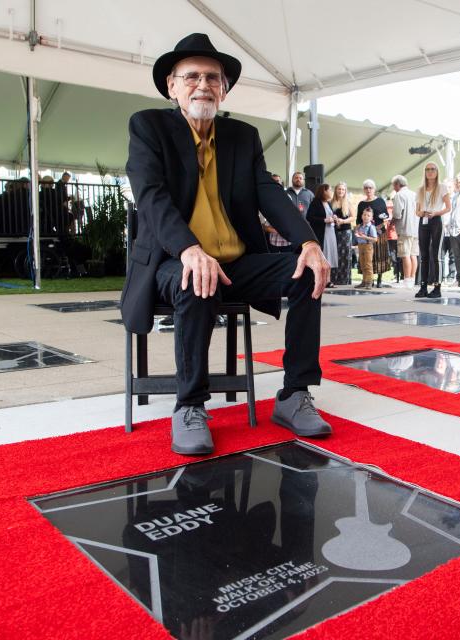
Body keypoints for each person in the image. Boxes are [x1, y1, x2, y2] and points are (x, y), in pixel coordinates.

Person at [122, 33, 332, 456]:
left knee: (307, 270)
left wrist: (308, 242)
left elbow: (269, 194)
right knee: (194, 278)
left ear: (225, 87)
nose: (204, 84)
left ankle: (294, 395)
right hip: (171, 261)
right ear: (172, 86)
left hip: (236, 262)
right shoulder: (149, 126)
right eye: (192, 76)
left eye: (213, 77)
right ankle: (190, 405)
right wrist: (189, 249)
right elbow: (151, 197)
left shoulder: (242, 136)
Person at [415, 162, 451, 298]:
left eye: (433, 169)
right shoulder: (420, 189)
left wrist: (436, 213)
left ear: (437, 172)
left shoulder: (442, 187)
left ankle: (437, 287)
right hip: (423, 220)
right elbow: (416, 211)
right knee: (423, 255)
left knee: (436, 255)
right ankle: (423, 286)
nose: (430, 172)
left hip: (436, 220)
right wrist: (422, 212)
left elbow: (448, 207)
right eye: (427, 169)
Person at [355, 179, 391, 287]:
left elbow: (386, 216)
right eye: (366, 188)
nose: (368, 190)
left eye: (370, 188)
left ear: (374, 189)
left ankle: (379, 279)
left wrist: (380, 223)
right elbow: (358, 220)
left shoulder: (380, 201)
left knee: (379, 256)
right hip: (365, 234)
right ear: (364, 190)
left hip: (379, 232)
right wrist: (358, 231)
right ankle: (366, 280)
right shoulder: (361, 204)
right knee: (365, 257)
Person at [305, 183, 339, 287]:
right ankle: (320, 280)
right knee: (322, 256)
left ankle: (328, 281)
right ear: (323, 191)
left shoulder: (328, 203)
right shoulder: (315, 202)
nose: (331, 192)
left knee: (329, 256)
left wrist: (334, 217)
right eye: (329, 190)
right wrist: (324, 220)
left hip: (330, 233)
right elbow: (309, 217)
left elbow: (329, 215)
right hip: (321, 234)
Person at [390, 174, 419, 288]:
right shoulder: (414, 194)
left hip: (404, 229)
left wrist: (392, 221)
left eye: (394, 185)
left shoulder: (399, 195)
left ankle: (406, 280)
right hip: (416, 229)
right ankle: (411, 279)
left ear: (398, 184)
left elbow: (397, 213)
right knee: (413, 255)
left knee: (405, 255)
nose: (394, 188)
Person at [329, 182, 354, 285]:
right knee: (334, 255)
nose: (341, 191)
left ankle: (344, 280)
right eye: (339, 189)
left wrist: (343, 221)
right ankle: (333, 279)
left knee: (345, 256)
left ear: (345, 191)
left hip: (345, 232)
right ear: (336, 190)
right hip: (332, 232)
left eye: (343, 189)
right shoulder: (330, 203)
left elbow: (353, 217)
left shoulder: (348, 203)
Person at [354, 208, 377, 288]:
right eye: (364, 215)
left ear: (371, 218)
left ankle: (369, 282)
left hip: (368, 247)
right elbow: (358, 235)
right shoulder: (360, 226)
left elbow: (375, 239)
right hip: (360, 246)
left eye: (368, 215)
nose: (366, 217)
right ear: (361, 216)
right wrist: (357, 233)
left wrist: (365, 237)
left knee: (368, 264)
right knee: (362, 264)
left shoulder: (371, 227)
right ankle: (364, 281)